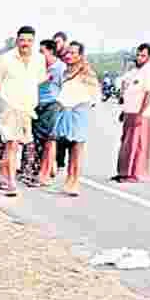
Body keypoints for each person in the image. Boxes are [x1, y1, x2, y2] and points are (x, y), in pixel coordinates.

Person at [0, 26, 44, 197]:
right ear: (17, 41)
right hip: (10, 107)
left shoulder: (39, 59)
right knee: (12, 143)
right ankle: (11, 183)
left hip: (28, 108)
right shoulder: (6, 59)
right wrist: (5, 97)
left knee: (15, 145)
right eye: (22, 40)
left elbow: (38, 80)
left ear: (33, 42)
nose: (25, 44)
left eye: (29, 40)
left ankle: (4, 178)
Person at [50, 41, 100, 196]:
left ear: (80, 55)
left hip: (79, 112)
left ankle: (75, 182)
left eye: (73, 53)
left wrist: (81, 105)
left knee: (76, 149)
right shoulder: (65, 72)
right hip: (64, 112)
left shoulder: (87, 73)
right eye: (68, 52)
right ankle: (68, 179)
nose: (69, 56)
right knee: (62, 145)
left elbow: (94, 95)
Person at [114, 43, 150, 183]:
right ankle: (124, 172)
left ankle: (135, 174)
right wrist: (124, 110)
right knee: (127, 144)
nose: (140, 58)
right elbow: (124, 84)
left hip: (142, 114)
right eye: (138, 55)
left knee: (138, 145)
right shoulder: (135, 71)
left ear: (149, 57)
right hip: (130, 111)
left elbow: (148, 95)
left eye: (143, 56)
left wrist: (140, 114)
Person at [25, 39, 66, 187]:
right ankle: (42, 170)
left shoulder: (60, 68)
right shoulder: (38, 67)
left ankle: (44, 175)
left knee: (50, 140)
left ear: (51, 52)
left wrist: (61, 105)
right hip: (37, 105)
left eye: (42, 52)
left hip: (52, 105)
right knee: (38, 141)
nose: (40, 55)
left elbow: (65, 88)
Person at [52, 30, 73, 175]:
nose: (56, 45)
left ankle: (61, 162)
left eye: (58, 42)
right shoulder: (54, 57)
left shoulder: (69, 57)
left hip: (68, 99)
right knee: (55, 131)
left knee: (65, 132)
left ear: (65, 42)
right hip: (55, 98)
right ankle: (55, 161)